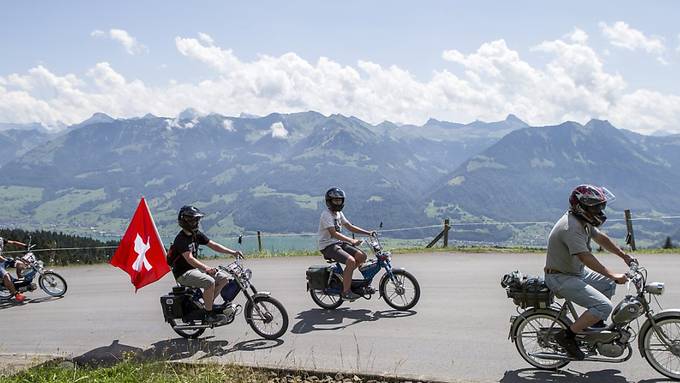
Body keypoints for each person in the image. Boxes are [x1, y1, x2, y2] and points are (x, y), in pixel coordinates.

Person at [544, 185, 635, 360]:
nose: (599, 210)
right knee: (603, 306)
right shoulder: (570, 228)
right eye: (595, 207)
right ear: (581, 207)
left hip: (575, 272)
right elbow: (586, 258)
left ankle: (594, 326)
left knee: (607, 284)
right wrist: (613, 274)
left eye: (601, 206)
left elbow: (601, 238)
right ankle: (567, 336)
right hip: (560, 277)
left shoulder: (583, 221)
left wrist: (624, 256)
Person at [169, 205, 243, 324]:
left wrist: (232, 252)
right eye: (194, 220)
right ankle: (209, 315)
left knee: (224, 278)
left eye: (197, 219)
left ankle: (207, 304)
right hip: (183, 273)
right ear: (185, 221)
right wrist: (206, 268)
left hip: (194, 270)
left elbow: (213, 245)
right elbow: (190, 259)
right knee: (210, 282)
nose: (196, 222)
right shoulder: (181, 239)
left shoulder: (196, 234)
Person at [318, 187, 375, 301]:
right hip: (327, 246)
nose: (338, 203)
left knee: (362, 256)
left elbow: (350, 227)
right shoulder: (326, 215)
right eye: (335, 200)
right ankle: (346, 292)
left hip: (338, 243)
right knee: (351, 261)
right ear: (329, 201)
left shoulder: (339, 213)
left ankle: (346, 278)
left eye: (340, 200)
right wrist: (351, 241)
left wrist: (368, 233)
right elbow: (333, 233)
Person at [0, 237, 28, 302]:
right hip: (1, 261)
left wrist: (24, 245)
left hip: (2, 261)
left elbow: (13, 242)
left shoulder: (1, 239)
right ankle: (16, 295)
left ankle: (20, 282)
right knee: (6, 276)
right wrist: (5, 260)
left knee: (20, 264)